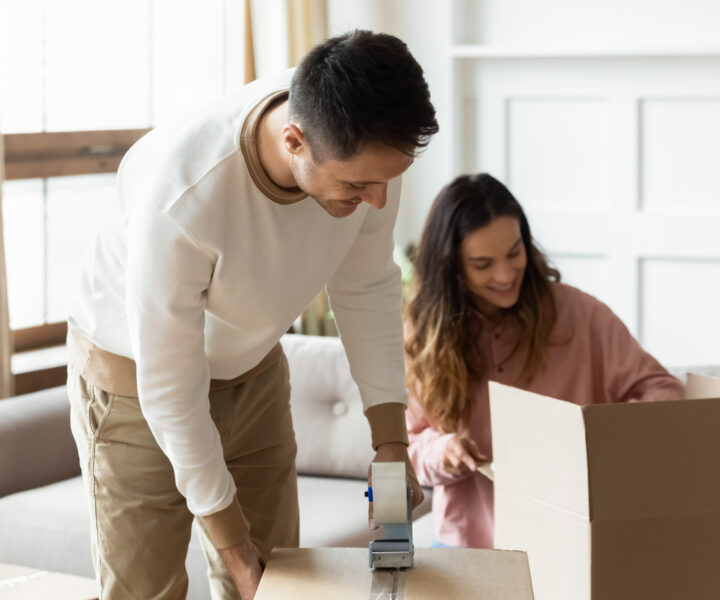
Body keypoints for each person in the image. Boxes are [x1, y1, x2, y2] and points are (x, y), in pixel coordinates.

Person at [67, 30, 438, 599]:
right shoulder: (182, 197)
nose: (379, 201)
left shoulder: (357, 144)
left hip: (254, 368)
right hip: (135, 390)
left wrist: (390, 442)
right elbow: (170, 392)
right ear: (294, 140)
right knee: (149, 592)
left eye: (389, 179)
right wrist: (235, 550)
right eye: (360, 184)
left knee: (280, 587)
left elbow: (366, 287)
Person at [404, 173, 684, 550]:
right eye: (482, 264)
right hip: (469, 545)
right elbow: (408, 444)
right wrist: (444, 450)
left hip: (573, 540)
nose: (504, 275)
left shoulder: (578, 313)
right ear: (450, 266)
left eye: (514, 253)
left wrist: (600, 439)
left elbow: (664, 392)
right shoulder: (423, 336)